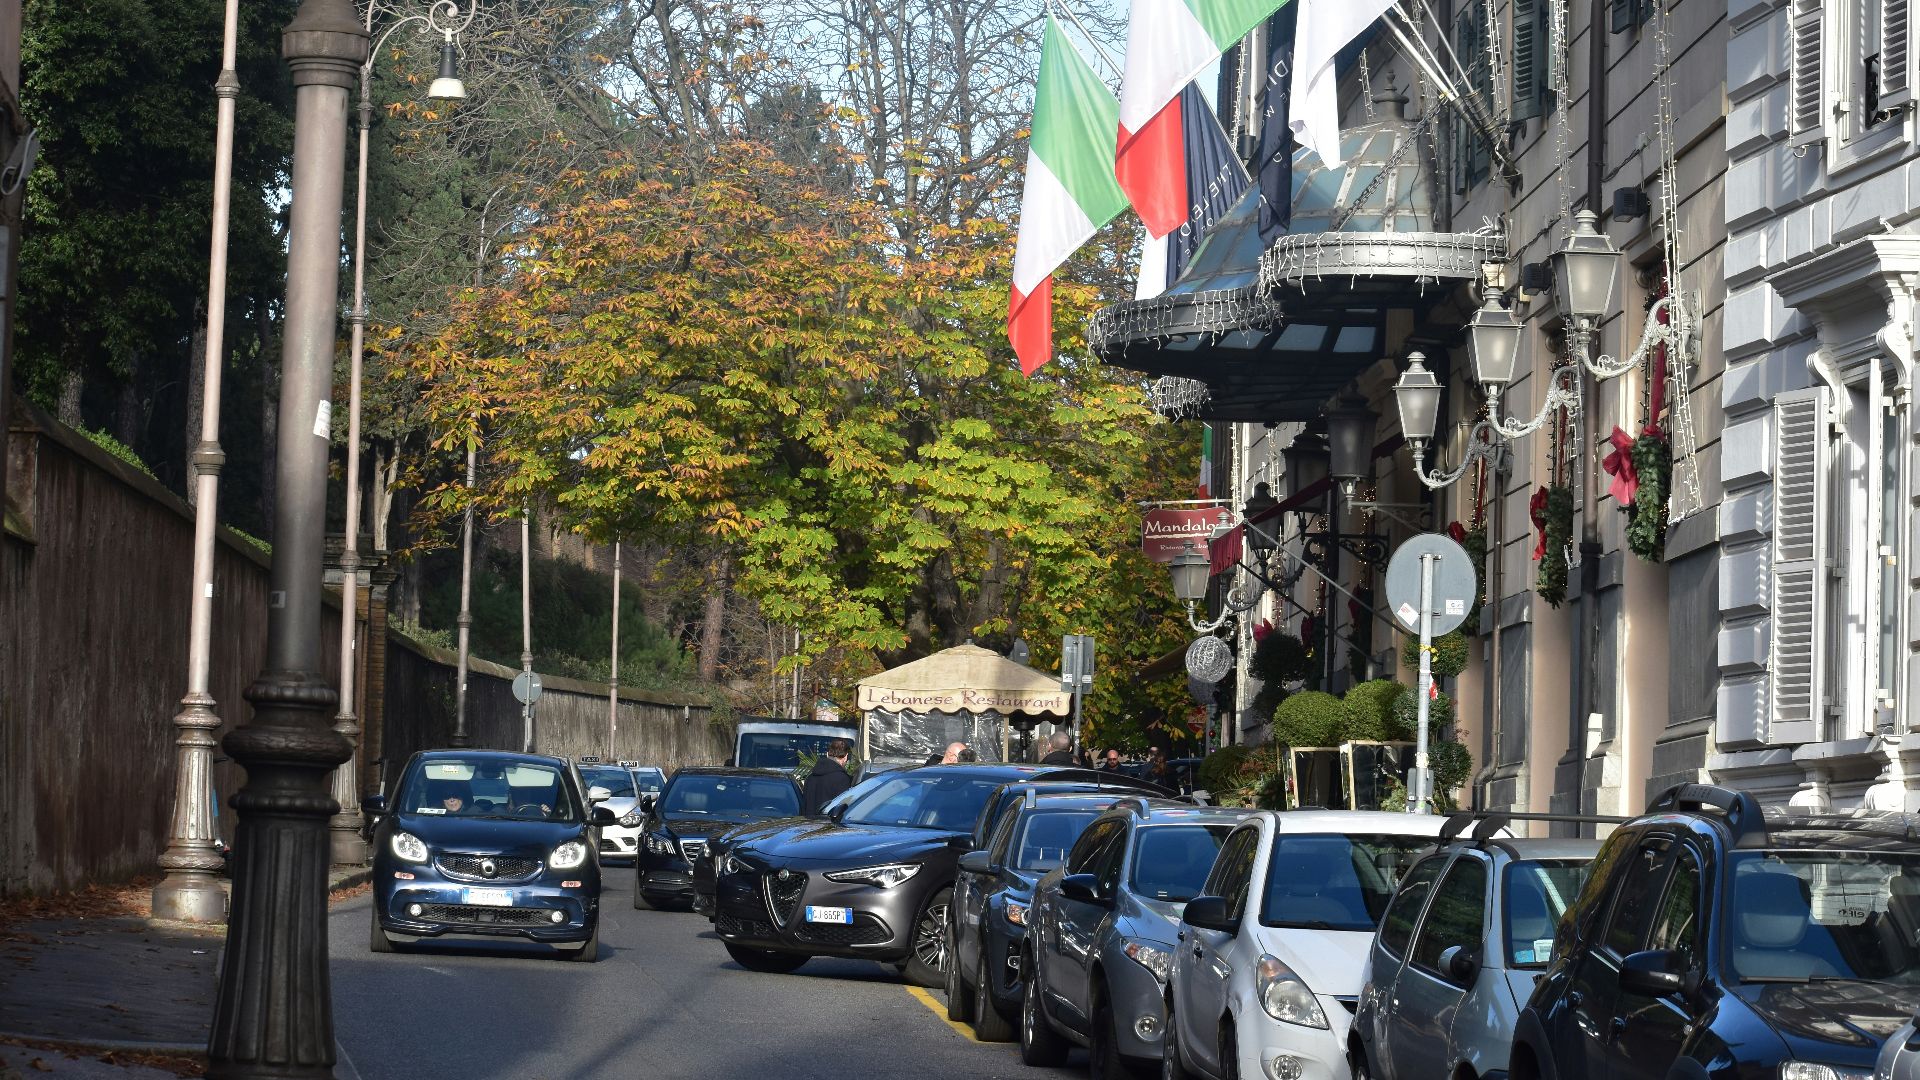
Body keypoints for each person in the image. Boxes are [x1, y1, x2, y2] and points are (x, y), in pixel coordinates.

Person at [803, 739, 854, 815]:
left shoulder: (810, 777)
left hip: (808, 821)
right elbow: (842, 809)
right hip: (829, 822)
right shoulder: (843, 779)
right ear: (846, 757)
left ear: (827, 754)